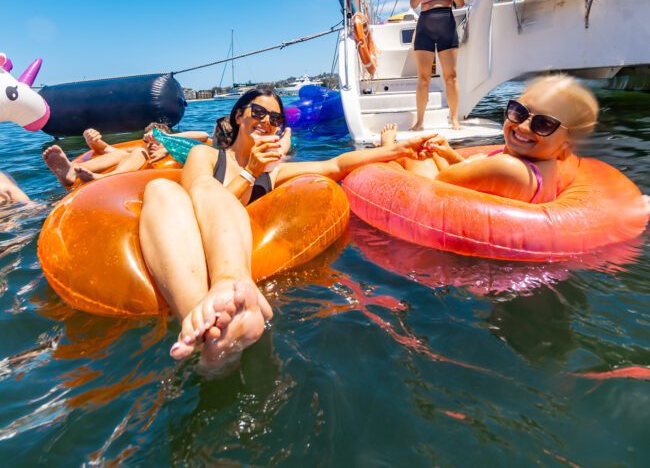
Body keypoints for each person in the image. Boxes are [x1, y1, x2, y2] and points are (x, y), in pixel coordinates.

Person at [138, 88, 432, 374]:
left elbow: (334, 164)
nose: (267, 122)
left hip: (237, 261)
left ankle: (220, 314)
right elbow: (196, 202)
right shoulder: (207, 156)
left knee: (177, 188)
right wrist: (248, 173)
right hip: (191, 247)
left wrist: (394, 150)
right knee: (161, 187)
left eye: (276, 120)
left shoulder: (272, 173)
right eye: (259, 112)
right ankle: (209, 328)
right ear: (239, 116)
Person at [383, 74, 598, 203]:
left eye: (543, 124)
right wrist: (448, 153)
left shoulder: (508, 168)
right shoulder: (546, 163)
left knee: (415, 158)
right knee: (430, 154)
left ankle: (387, 148)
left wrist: (407, 151)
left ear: (565, 147)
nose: (523, 126)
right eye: (518, 111)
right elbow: (476, 177)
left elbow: (440, 182)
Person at [409, 0, 466, 131]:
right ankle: (419, 122)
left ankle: (455, 119)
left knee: (451, 77)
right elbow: (414, 3)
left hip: (446, 25)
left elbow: (460, 2)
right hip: (425, 26)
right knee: (423, 79)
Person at [43, 123, 210, 187]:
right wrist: (91, 139)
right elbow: (106, 150)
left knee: (138, 151)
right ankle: (71, 171)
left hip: (165, 182)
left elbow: (203, 135)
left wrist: (165, 141)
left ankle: (99, 177)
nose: (151, 144)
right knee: (134, 151)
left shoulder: (177, 150)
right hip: (124, 180)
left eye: (156, 140)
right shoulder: (138, 152)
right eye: (149, 139)